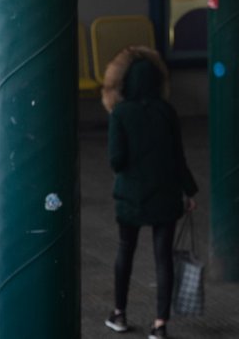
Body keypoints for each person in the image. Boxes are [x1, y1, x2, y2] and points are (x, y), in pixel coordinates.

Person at [102, 46, 198, 339]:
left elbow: (116, 160)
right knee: (163, 258)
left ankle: (119, 313)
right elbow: (178, 156)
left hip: (130, 197)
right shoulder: (166, 112)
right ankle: (159, 324)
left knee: (125, 252)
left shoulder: (120, 113)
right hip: (165, 194)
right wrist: (189, 191)